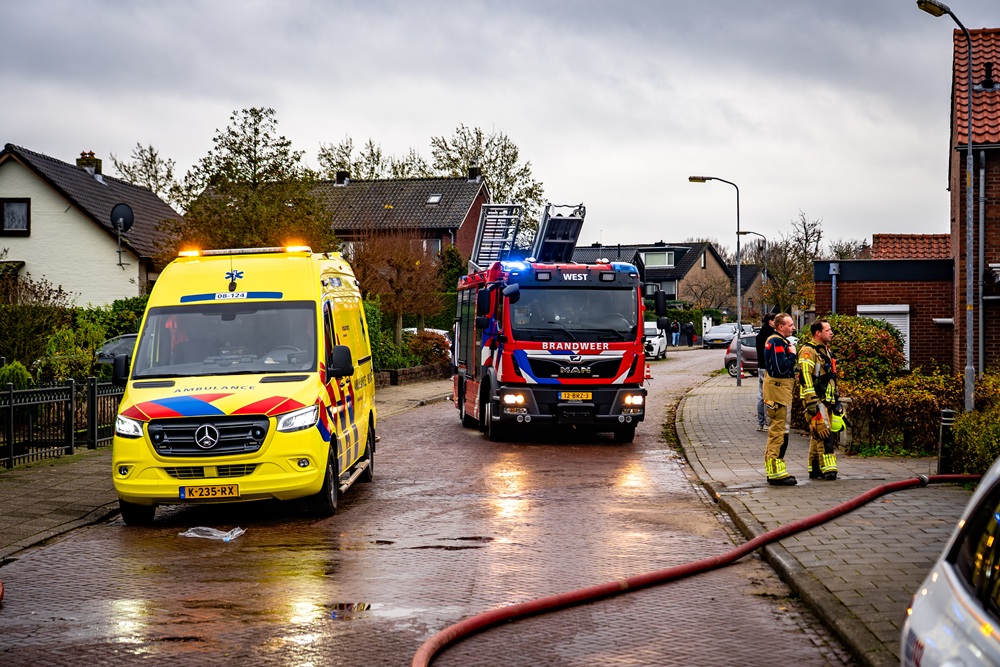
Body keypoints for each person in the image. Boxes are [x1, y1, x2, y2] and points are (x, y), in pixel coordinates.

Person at [798, 318, 842, 481]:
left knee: (817, 433)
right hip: (816, 400)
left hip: (827, 399)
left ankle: (815, 468)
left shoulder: (826, 350)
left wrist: (836, 399)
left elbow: (830, 377)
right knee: (824, 434)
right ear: (818, 333)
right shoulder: (808, 351)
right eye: (827, 330)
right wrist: (811, 401)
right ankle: (829, 469)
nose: (831, 332)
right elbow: (805, 376)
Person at [762, 313, 797, 486]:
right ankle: (776, 472)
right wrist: (792, 355)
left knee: (779, 429)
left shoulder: (779, 341)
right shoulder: (776, 341)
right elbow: (780, 369)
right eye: (790, 325)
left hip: (780, 390)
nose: (793, 327)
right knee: (778, 430)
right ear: (780, 327)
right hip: (778, 391)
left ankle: (774, 468)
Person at [754, 312, 777, 431]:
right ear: (770, 321)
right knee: (767, 396)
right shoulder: (771, 335)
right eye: (775, 320)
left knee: (761, 396)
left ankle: (761, 422)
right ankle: (766, 423)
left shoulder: (760, 334)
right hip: (767, 369)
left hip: (761, 367)